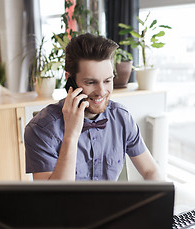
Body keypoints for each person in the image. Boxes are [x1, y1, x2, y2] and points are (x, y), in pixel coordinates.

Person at [24, 33, 162, 181]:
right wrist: (71, 135)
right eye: (91, 82)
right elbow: (52, 200)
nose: (101, 92)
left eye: (107, 81)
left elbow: (151, 171)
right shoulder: (41, 129)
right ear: (69, 80)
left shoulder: (121, 117)